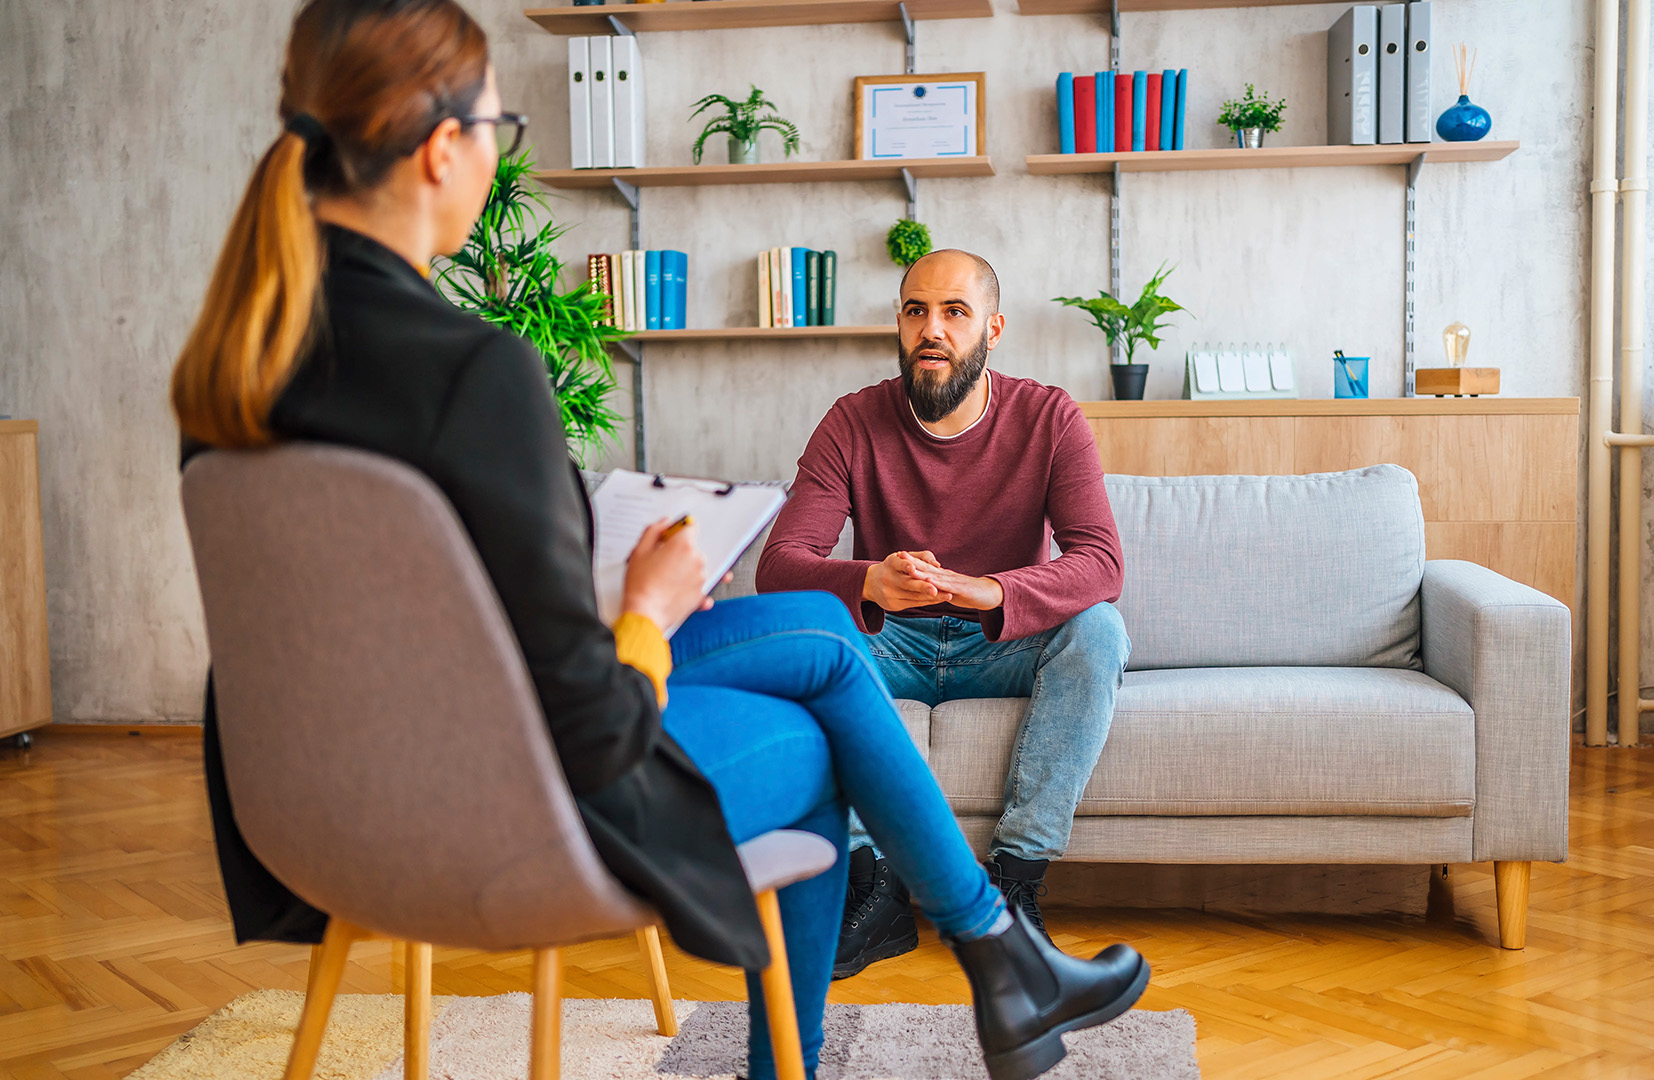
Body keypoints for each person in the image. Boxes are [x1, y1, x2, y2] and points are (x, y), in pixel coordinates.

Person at [168, 4, 1148, 1079]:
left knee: (822, 630)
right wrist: (641, 607)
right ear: (444, 147)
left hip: (326, 806)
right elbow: (586, 716)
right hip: (506, 801)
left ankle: (1000, 948)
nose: (499, 148)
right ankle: (978, 965)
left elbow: (436, 627)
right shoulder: (471, 373)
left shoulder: (239, 362)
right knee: (823, 730)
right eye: (500, 123)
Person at [756, 249, 1130, 979]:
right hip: (888, 641)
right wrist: (869, 581)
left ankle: (1014, 887)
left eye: (954, 312)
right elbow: (780, 564)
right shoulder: (852, 421)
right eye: (916, 311)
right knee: (810, 636)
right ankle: (878, 892)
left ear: (992, 328)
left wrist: (994, 590)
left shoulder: (1050, 417)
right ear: (898, 324)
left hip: (1001, 646)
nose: (932, 329)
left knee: (1099, 629)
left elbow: (1102, 562)